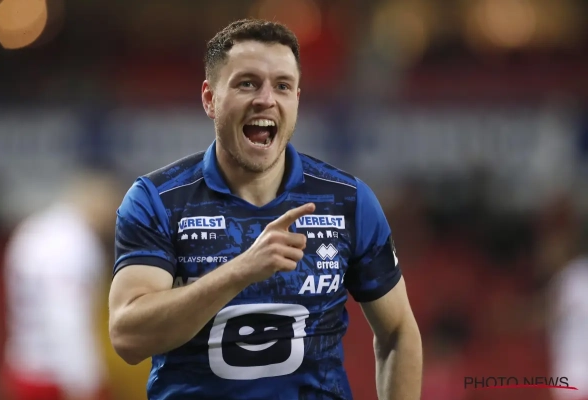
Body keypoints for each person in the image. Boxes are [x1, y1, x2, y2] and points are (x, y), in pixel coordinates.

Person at [109, 19, 422, 400]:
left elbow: (398, 331)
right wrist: (241, 270)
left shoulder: (348, 201)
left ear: (297, 100)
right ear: (210, 99)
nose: (266, 99)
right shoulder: (157, 200)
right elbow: (128, 337)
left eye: (283, 86)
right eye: (247, 83)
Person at [2, 170, 120, 400]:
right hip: (54, 379)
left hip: (22, 362)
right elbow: (65, 318)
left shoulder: (36, 227)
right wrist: (86, 382)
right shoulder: (74, 243)